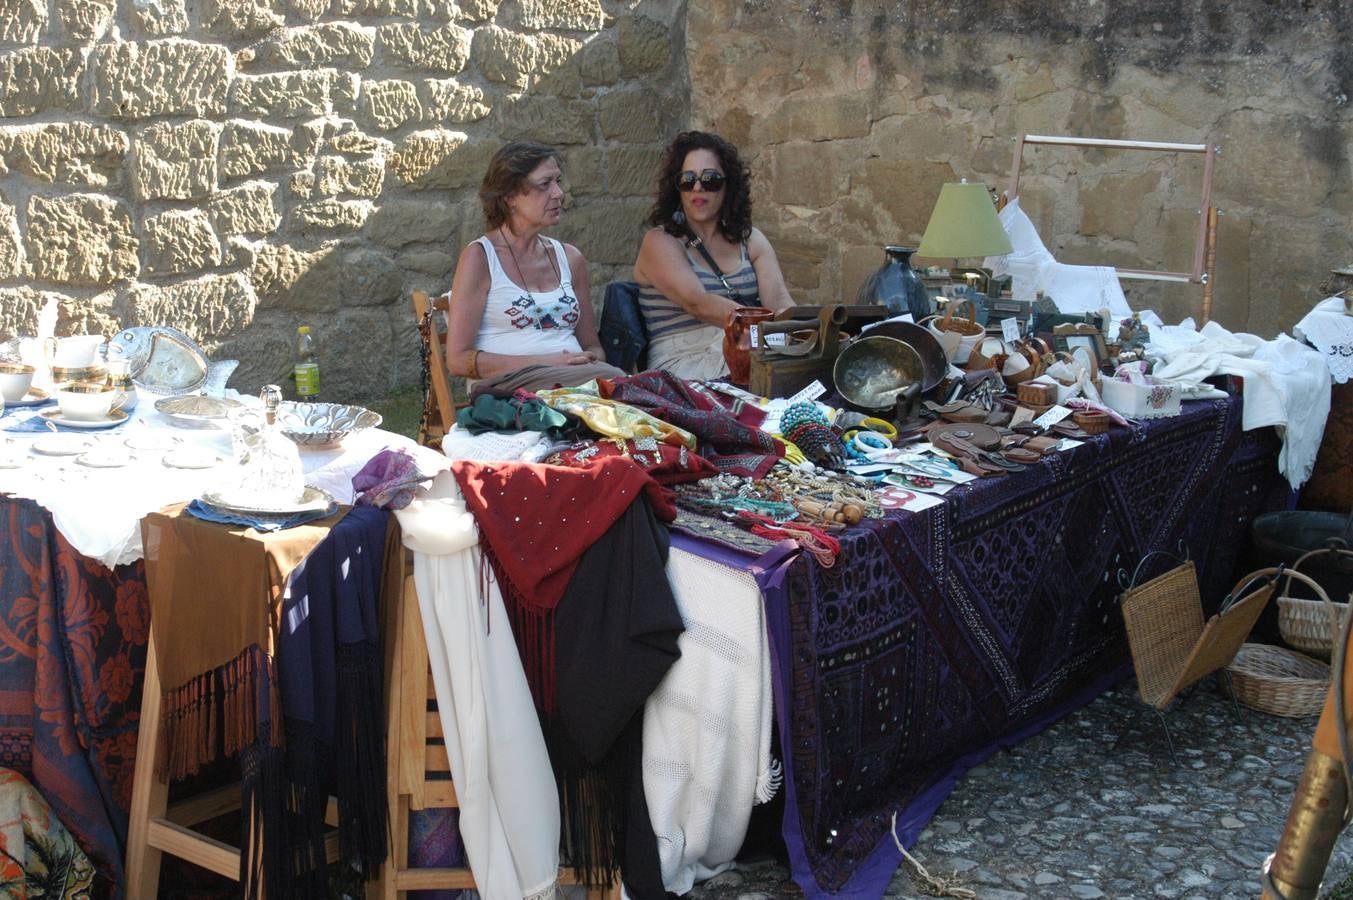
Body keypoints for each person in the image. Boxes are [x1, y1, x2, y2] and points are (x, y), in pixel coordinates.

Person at [446, 140, 624, 393]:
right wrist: (548, 363)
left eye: (557, 181)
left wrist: (584, 361)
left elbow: (593, 347)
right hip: (514, 388)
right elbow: (457, 361)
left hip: (579, 382)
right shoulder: (481, 258)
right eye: (544, 185)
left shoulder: (570, 258)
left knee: (638, 390)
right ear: (510, 197)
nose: (558, 193)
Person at [632, 131, 796, 380]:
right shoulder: (660, 241)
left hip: (745, 343)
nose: (697, 187)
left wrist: (808, 332)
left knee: (806, 362)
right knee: (769, 369)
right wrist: (767, 332)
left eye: (710, 179)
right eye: (687, 180)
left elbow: (780, 303)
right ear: (677, 188)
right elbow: (697, 303)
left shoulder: (750, 240)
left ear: (728, 185)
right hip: (682, 360)